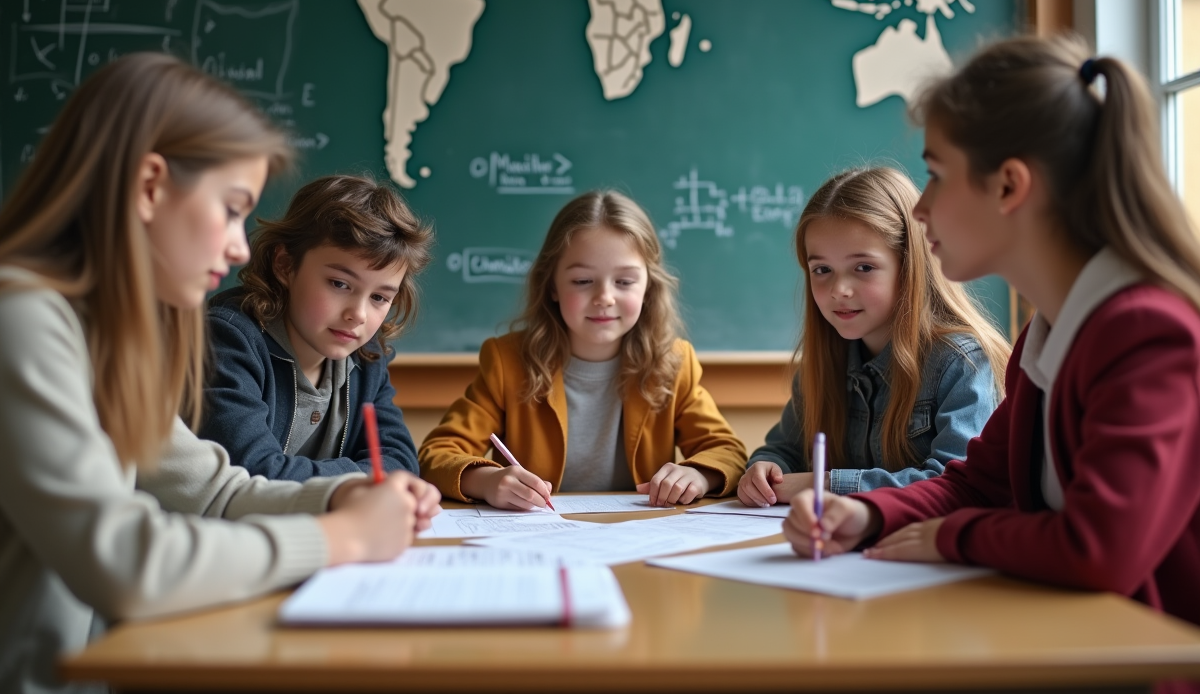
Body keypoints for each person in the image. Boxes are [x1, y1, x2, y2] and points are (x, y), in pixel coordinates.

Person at [0, 53, 439, 694]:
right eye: (231, 209)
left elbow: (215, 492)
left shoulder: (110, 335)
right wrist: (338, 537)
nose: (239, 247)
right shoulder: (22, 320)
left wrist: (337, 496)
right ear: (150, 187)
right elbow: (122, 560)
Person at [784, 34, 1200, 635]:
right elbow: (979, 482)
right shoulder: (1051, 331)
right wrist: (868, 514)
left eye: (936, 175)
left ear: (1008, 186)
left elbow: (1098, 548)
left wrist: (952, 537)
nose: (921, 208)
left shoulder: (1147, 332)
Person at [419, 190, 747, 508]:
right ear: (552, 287)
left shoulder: (673, 362)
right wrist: (487, 481)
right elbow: (438, 454)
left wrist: (698, 475)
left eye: (624, 282)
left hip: (635, 536)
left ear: (649, 288)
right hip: (540, 537)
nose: (604, 297)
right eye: (582, 281)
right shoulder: (508, 361)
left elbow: (727, 451)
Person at [738, 167, 1009, 507]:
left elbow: (957, 484)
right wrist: (765, 470)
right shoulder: (825, 363)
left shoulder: (961, 363)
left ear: (909, 266)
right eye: (822, 270)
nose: (839, 290)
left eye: (863, 267)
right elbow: (785, 449)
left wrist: (826, 485)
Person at [199, 175, 430, 480]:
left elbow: (400, 461)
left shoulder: (367, 357)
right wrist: (364, 481)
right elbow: (253, 473)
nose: (358, 314)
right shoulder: (228, 339)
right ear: (285, 265)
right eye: (339, 284)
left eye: (379, 297)